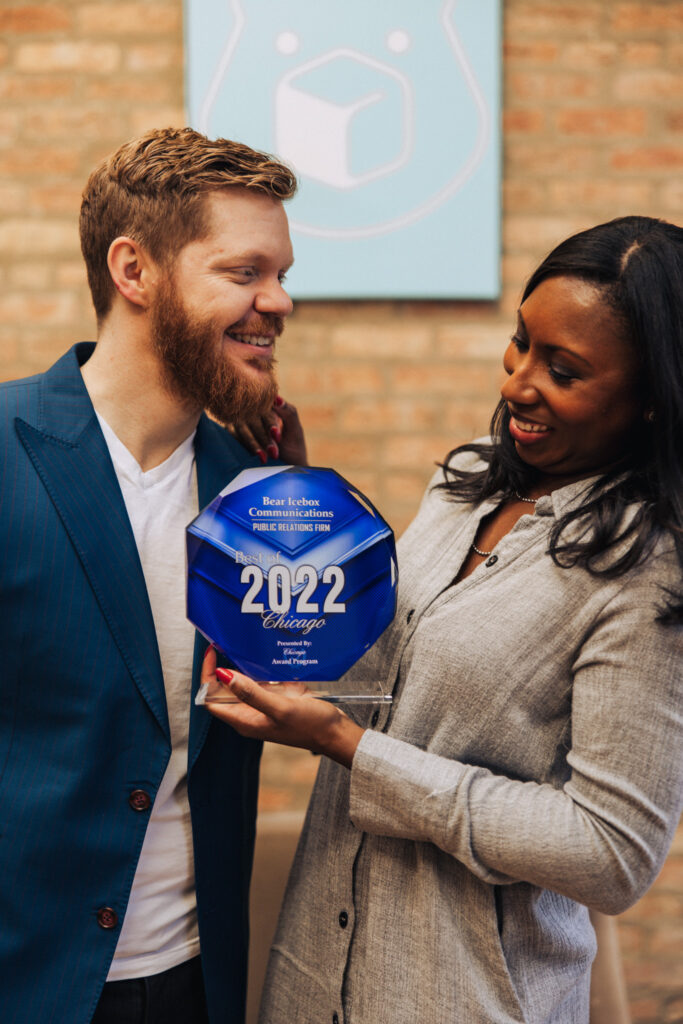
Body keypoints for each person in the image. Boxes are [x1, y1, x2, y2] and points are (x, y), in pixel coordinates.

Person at [205, 216, 683, 1024]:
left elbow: (609, 853)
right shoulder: (468, 480)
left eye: (562, 371)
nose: (515, 383)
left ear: (648, 401)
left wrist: (344, 747)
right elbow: (386, 670)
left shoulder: (647, 572)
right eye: (520, 341)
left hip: (458, 998)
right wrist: (299, 497)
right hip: (313, 977)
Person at [0, 126, 304, 1024]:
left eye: (283, 273)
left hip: (192, 984)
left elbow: (307, 688)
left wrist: (301, 517)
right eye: (245, 272)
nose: (279, 301)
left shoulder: (259, 492)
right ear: (135, 271)